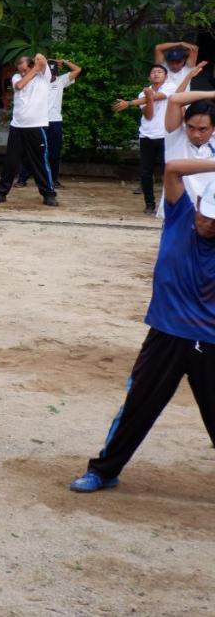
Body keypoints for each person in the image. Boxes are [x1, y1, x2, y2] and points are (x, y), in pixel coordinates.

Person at [68, 159, 215, 493]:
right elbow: (174, 167)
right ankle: (104, 471)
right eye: (206, 214)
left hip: (210, 341)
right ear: (199, 205)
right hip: (166, 333)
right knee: (137, 407)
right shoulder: (180, 217)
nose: (208, 223)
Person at [0, 53, 59, 207]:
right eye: (20, 70)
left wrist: (37, 64)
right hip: (17, 126)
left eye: (24, 70)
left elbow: (41, 58)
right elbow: (20, 85)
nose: (21, 73)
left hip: (36, 127)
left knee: (40, 162)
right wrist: (31, 71)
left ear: (32, 66)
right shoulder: (16, 78)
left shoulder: (44, 77)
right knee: (11, 162)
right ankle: (1, 193)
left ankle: (48, 194)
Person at [114, 65, 176, 215]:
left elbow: (159, 97)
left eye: (160, 72)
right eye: (153, 72)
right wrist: (147, 98)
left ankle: (168, 203)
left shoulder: (170, 87)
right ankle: (149, 203)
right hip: (146, 135)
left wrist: (129, 103)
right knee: (146, 172)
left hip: (164, 136)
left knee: (166, 171)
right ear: (149, 77)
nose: (156, 74)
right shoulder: (143, 92)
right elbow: (149, 115)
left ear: (165, 76)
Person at [18, 57, 82, 189]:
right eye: (50, 73)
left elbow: (78, 69)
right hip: (39, 121)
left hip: (55, 122)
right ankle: (22, 179)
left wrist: (64, 62)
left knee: (54, 152)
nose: (52, 76)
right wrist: (48, 61)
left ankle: (53, 180)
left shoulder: (61, 81)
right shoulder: (39, 80)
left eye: (54, 73)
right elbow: (37, 61)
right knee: (32, 150)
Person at [160, 66, 215, 216]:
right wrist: (212, 94)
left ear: (213, 128)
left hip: (210, 215)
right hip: (178, 214)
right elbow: (174, 99)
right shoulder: (176, 134)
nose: (196, 134)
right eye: (191, 127)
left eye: (203, 129)